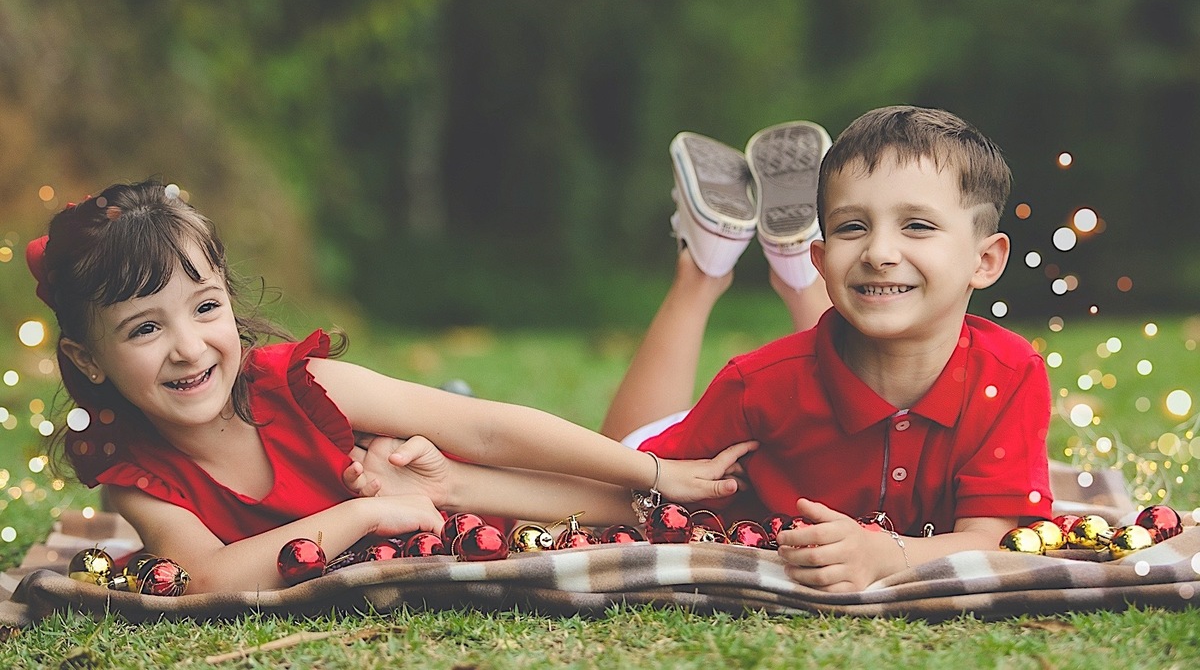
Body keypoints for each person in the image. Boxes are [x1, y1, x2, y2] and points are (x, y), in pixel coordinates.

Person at [26, 180, 755, 594]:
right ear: (88, 360)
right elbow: (212, 577)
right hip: (461, 490)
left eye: (205, 306)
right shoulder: (137, 474)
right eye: (144, 329)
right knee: (648, 500)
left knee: (678, 473)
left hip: (489, 469)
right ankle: (716, 275)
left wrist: (656, 473)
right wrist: (367, 517)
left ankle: (730, 270)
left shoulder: (301, 390)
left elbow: (491, 434)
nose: (189, 348)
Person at [601, 106, 1053, 592]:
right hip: (688, 451)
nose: (879, 251)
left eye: (917, 226)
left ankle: (764, 262)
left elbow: (996, 536)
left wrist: (886, 553)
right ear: (825, 258)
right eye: (852, 227)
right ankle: (705, 267)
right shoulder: (754, 387)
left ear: (984, 260)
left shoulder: (1009, 374)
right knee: (627, 456)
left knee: (864, 306)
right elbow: (632, 489)